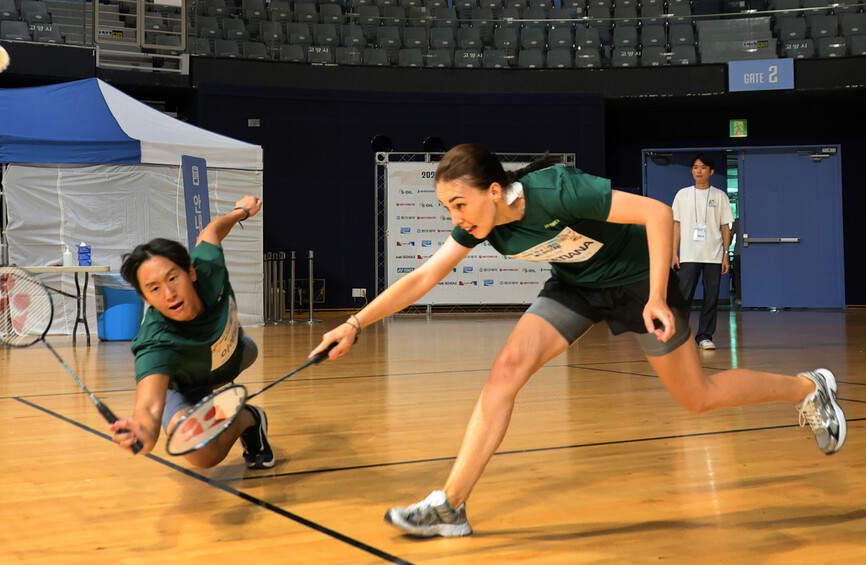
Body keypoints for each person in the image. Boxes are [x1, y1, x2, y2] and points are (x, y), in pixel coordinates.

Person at [309, 144, 846, 538]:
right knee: (506, 370)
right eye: (448, 207)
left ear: (493, 192)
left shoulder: (557, 191)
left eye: (460, 204)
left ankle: (806, 388)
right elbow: (422, 278)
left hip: (638, 283)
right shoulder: (482, 225)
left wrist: (657, 296)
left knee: (697, 397)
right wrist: (355, 324)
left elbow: (659, 215)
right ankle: (451, 504)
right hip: (576, 287)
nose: (456, 217)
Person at [109, 196, 275, 470]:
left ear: (191, 272)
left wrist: (241, 211)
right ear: (146, 298)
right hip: (185, 385)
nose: (169, 294)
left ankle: (217, 402)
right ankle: (249, 418)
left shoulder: (209, 269)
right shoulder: (156, 341)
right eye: (154, 288)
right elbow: (149, 405)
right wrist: (145, 432)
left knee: (249, 349)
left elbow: (211, 231)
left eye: (173, 278)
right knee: (200, 454)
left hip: (237, 353)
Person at [671, 154, 734, 350]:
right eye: (695, 167)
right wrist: (674, 252)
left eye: (703, 167)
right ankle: (680, 336)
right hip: (689, 254)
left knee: (711, 297)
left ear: (711, 171)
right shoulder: (682, 194)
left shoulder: (720, 195)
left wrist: (725, 254)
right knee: (684, 297)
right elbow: (676, 225)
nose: (699, 171)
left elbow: (726, 228)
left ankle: (705, 336)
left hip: (714, 255)